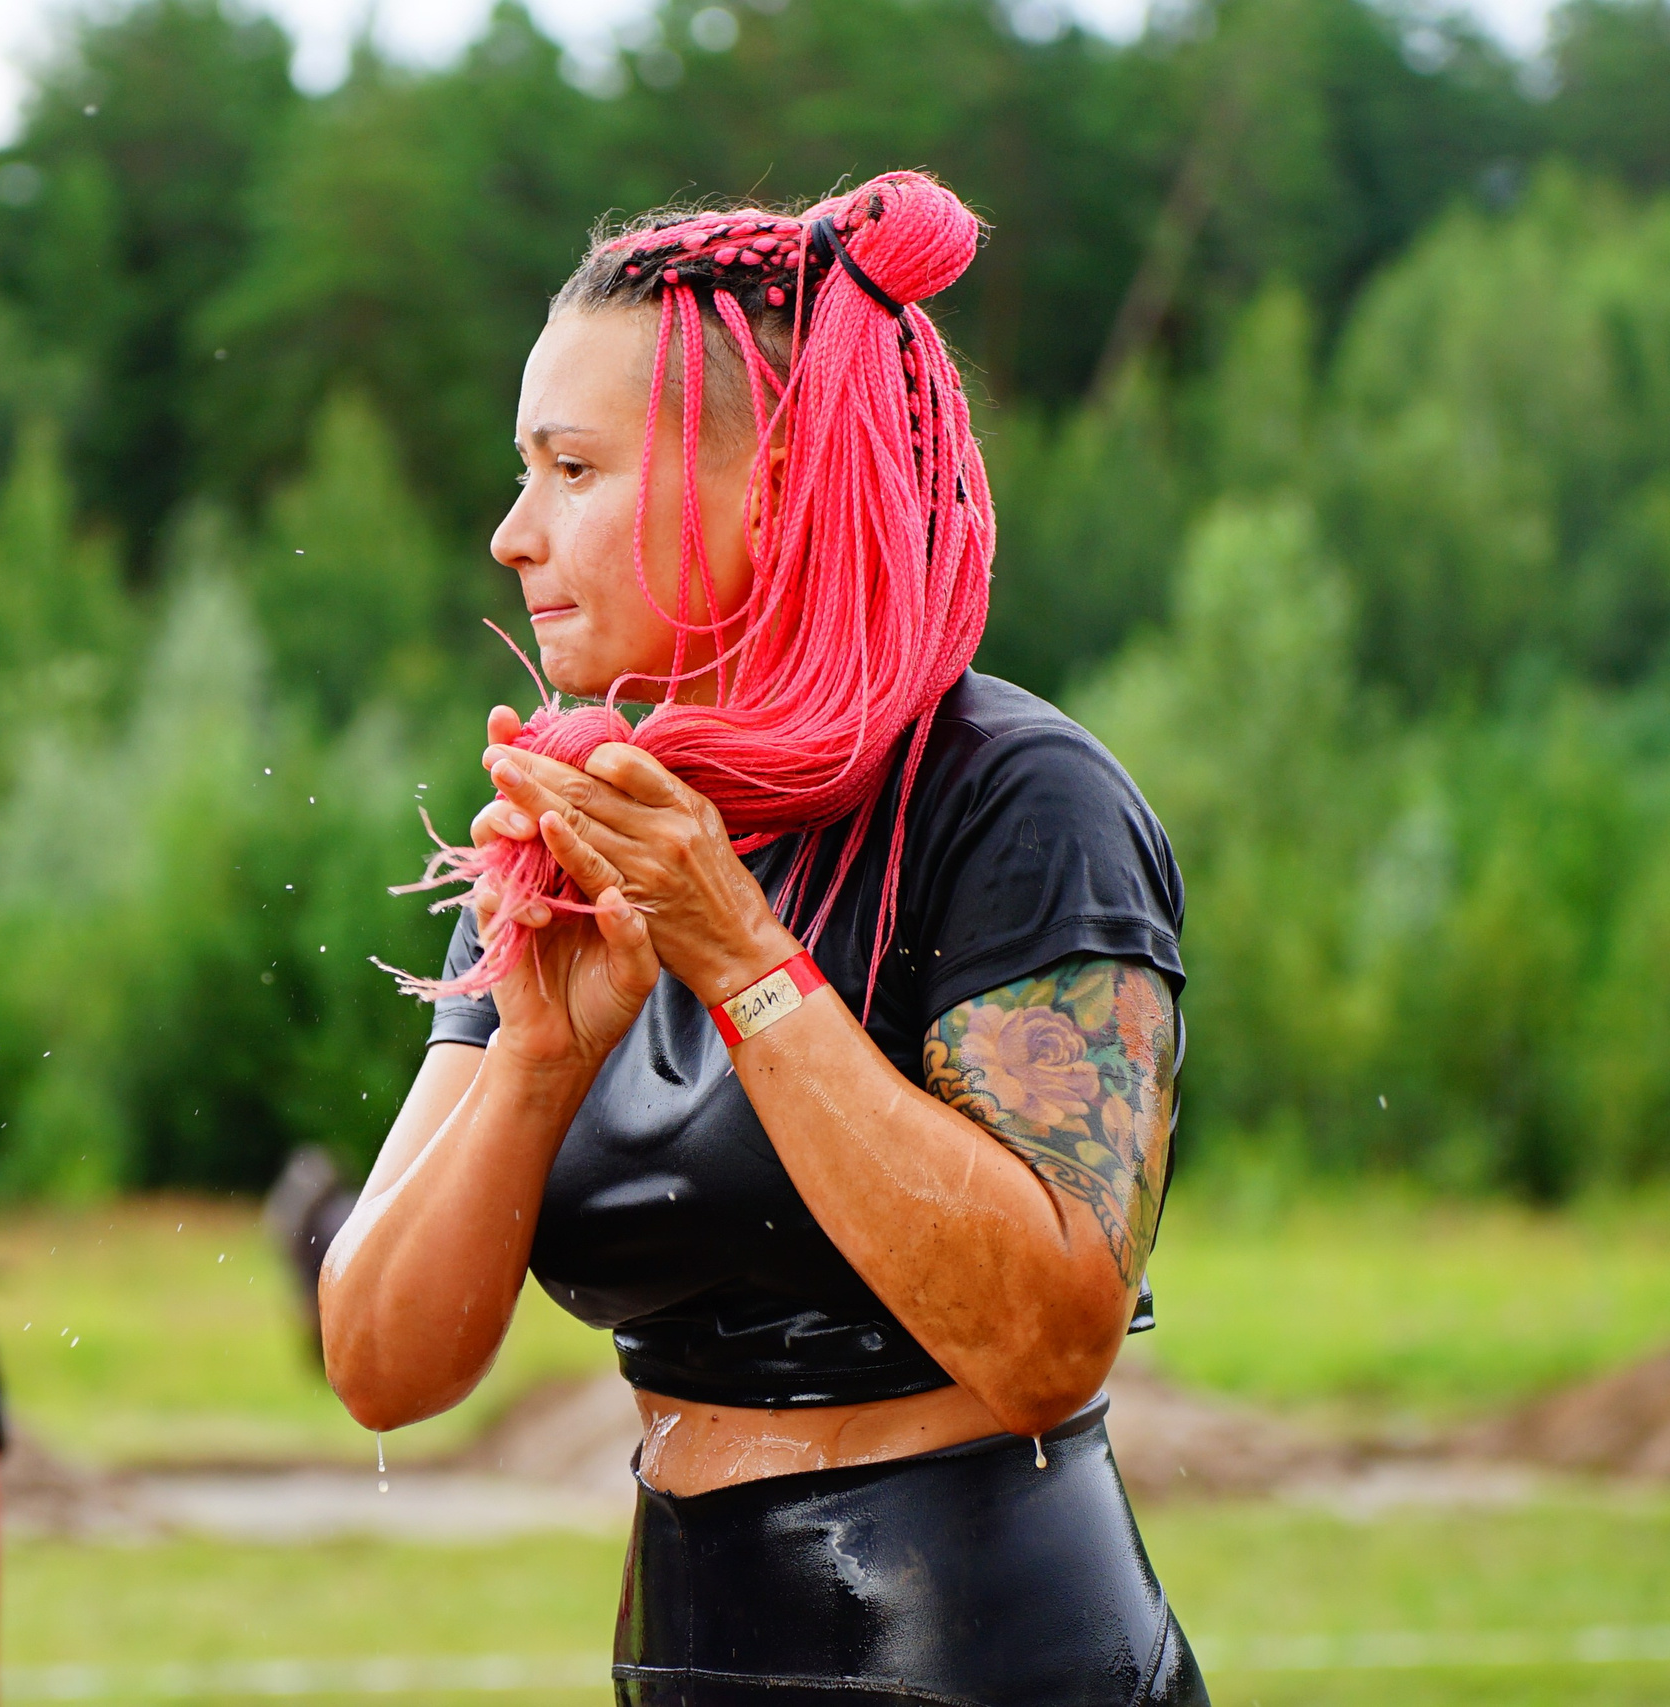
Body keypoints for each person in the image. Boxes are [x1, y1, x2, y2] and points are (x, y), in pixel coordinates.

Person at [321, 173, 1206, 1705]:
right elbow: (384, 1363)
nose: (511, 532)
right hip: (684, 1645)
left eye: (573, 467)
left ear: (783, 476)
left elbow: (1052, 1343)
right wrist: (536, 1049)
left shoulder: (1015, 797)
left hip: (989, 1658)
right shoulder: (598, 820)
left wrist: (741, 963)